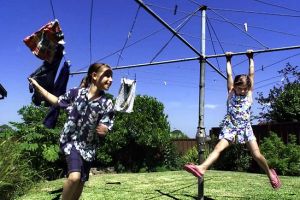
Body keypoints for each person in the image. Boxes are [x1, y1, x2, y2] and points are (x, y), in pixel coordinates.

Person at [184, 50, 281, 189]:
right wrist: (228, 60)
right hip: (230, 127)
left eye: (245, 89)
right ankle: (202, 168)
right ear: (234, 86)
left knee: (256, 154)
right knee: (218, 148)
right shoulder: (230, 93)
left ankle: (270, 174)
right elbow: (229, 74)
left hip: (245, 129)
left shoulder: (249, 95)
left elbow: (251, 74)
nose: (242, 91)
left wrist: (251, 58)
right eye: (240, 88)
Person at [28, 63, 115, 199]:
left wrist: (104, 130)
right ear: (94, 76)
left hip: (88, 148)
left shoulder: (107, 103)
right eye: (107, 75)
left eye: (111, 76)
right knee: (74, 177)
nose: (111, 80)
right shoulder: (76, 93)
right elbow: (57, 101)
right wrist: (38, 87)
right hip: (71, 142)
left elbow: (106, 125)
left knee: (80, 182)